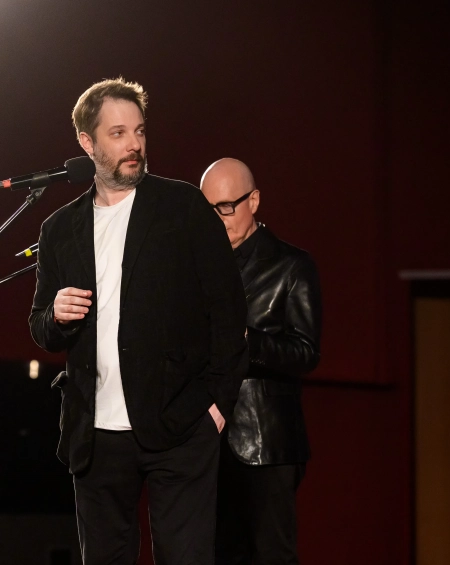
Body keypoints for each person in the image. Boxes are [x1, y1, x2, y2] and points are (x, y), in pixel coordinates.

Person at [29, 78, 249, 565]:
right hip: (96, 433)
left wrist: (217, 404)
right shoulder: (59, 228)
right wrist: (56, 314)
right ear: (87, 142)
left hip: (181, 424)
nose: (134, 144)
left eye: (140, 131)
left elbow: (230, 311)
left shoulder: (183, 206)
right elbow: (41, 328)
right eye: (118, 133)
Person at [200, 158, 322, 565]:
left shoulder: (292, 265)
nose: (217, 219)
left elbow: (305, 353)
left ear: (253, 201)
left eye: (225, 207)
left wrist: (247, 341)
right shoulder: (197, 264)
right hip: (205, 438)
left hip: (267, 442)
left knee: (271, 555)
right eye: (208, 209)